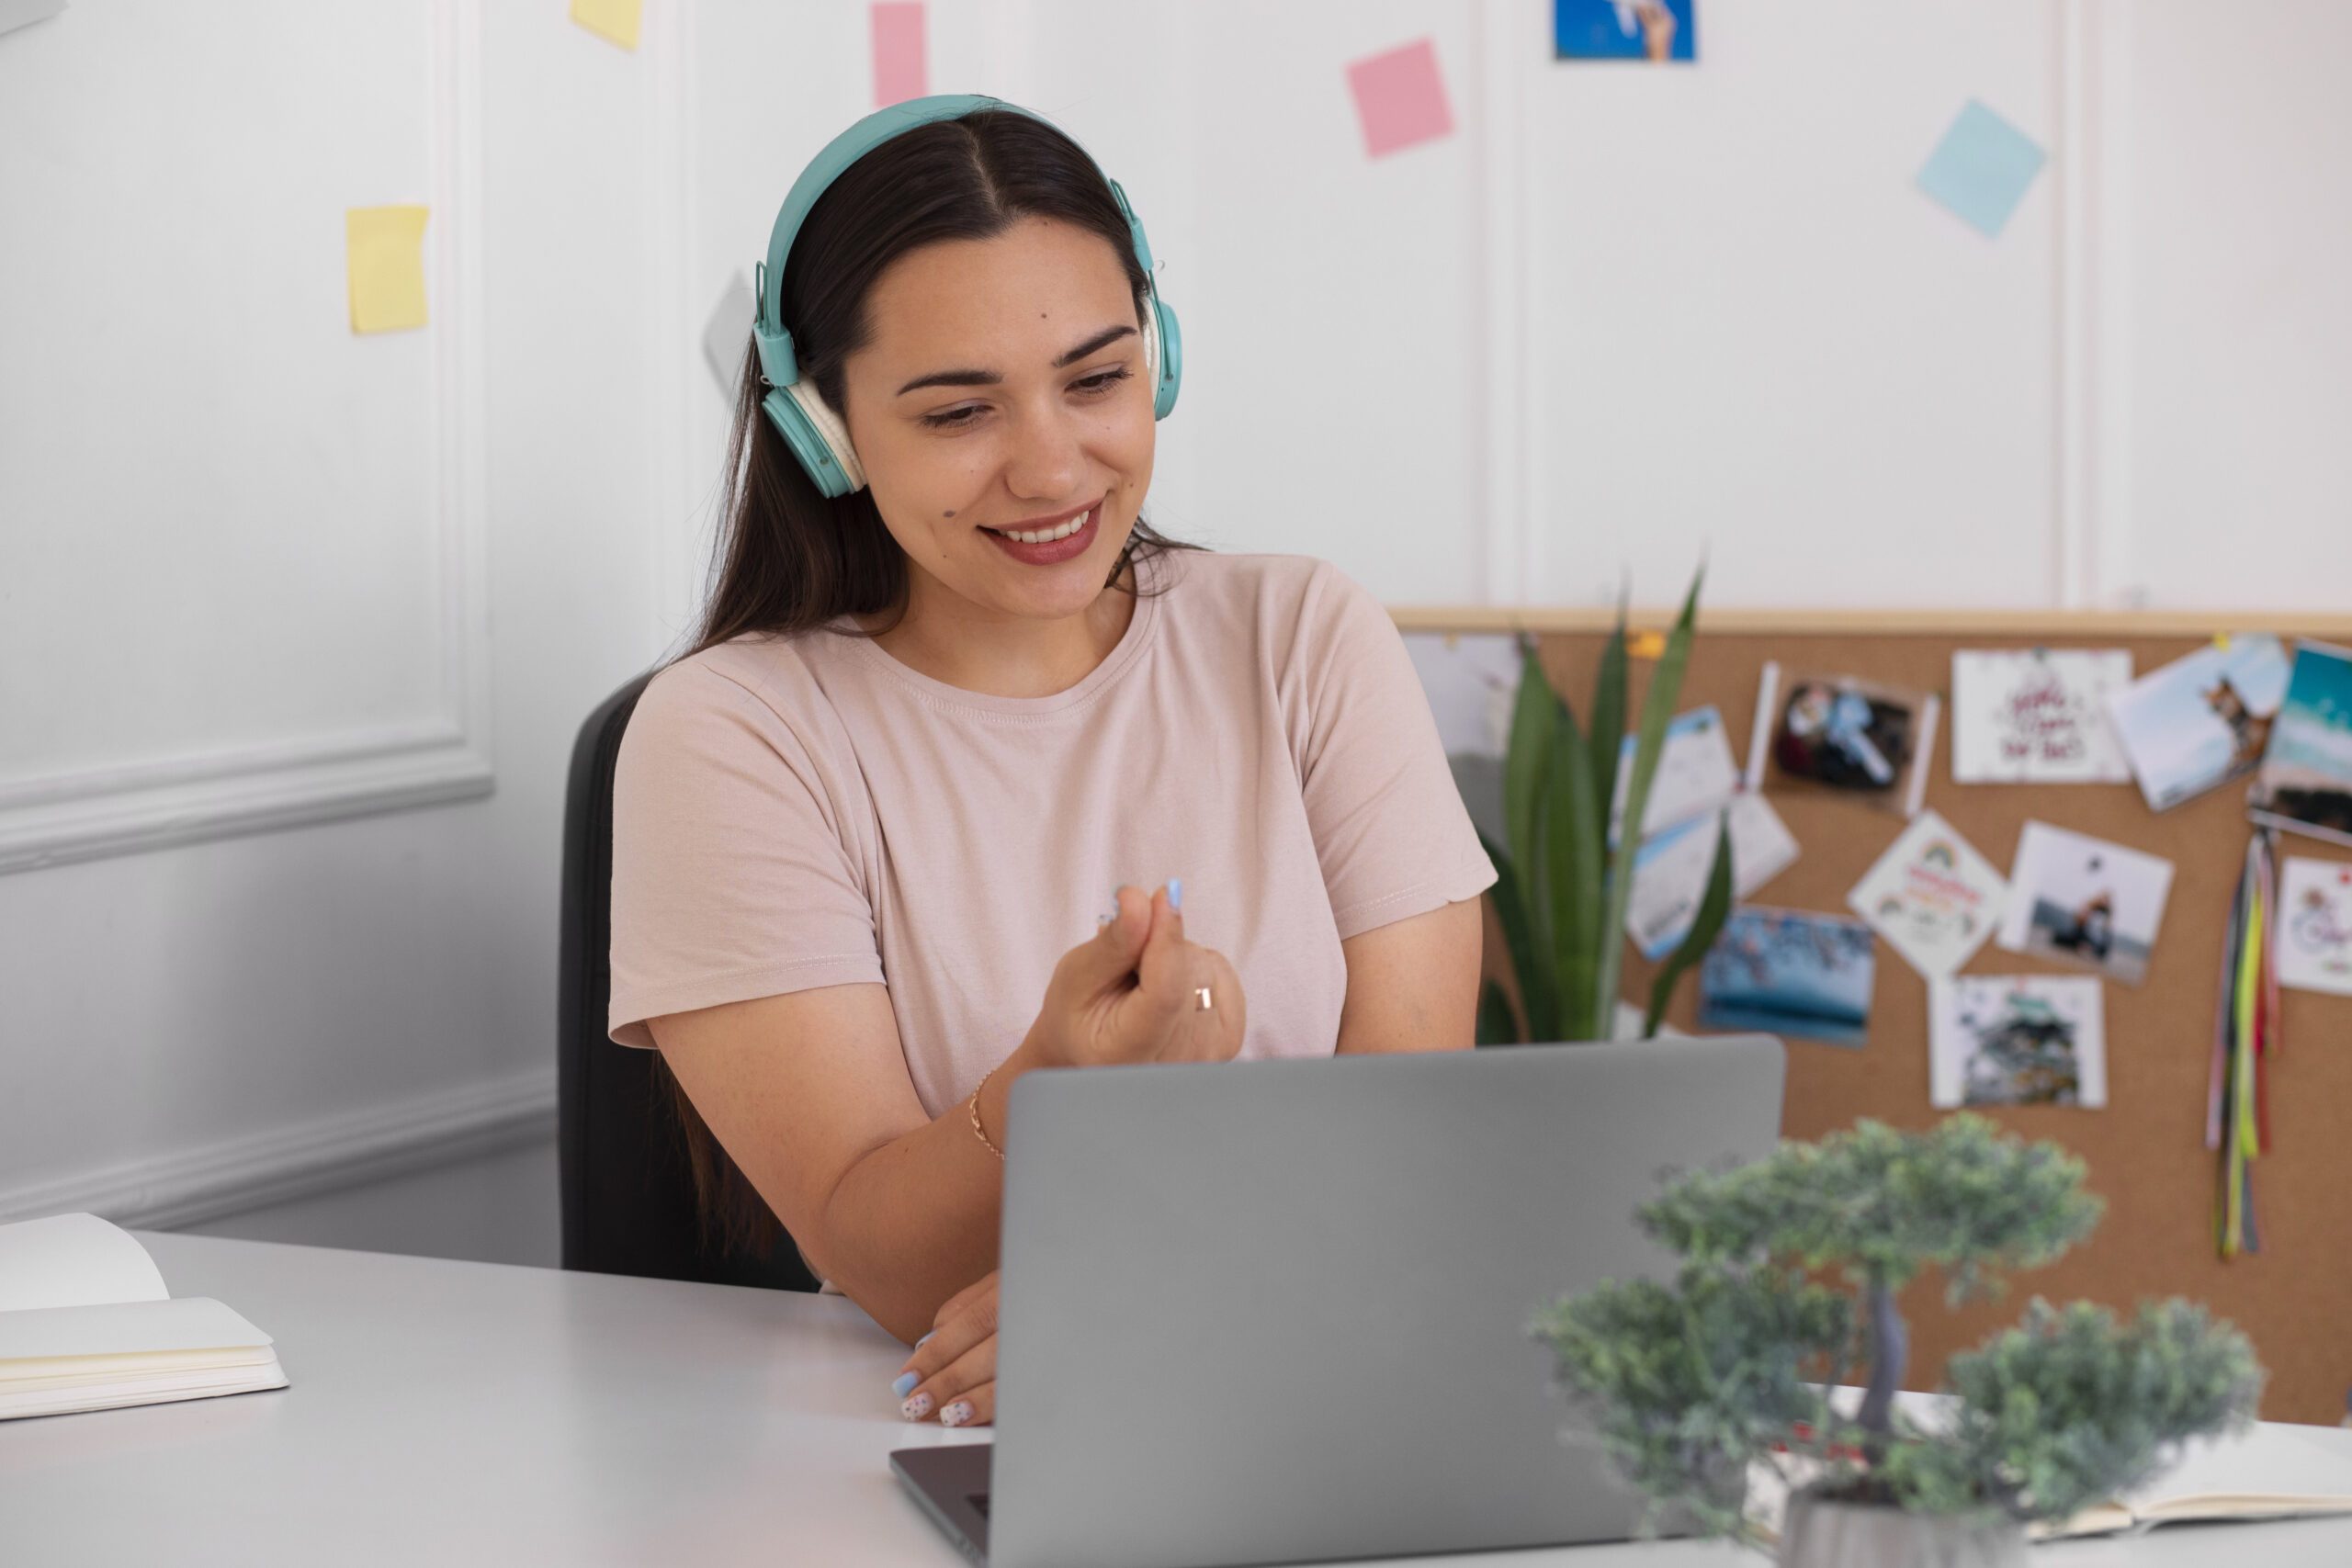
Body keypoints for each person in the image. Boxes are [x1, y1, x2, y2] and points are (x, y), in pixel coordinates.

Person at [606, 99, 1493, 1433]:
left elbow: (1415, 1164)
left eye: (1096, 379)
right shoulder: (732, 733)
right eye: (960, 410)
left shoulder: (1304, 635)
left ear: (1163, 362)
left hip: (1322, 1410)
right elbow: (883, 1261)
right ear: (825, 435)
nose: (1051, 464)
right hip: (944, 1440)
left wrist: (1178, 1289)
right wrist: (1054, 1081)